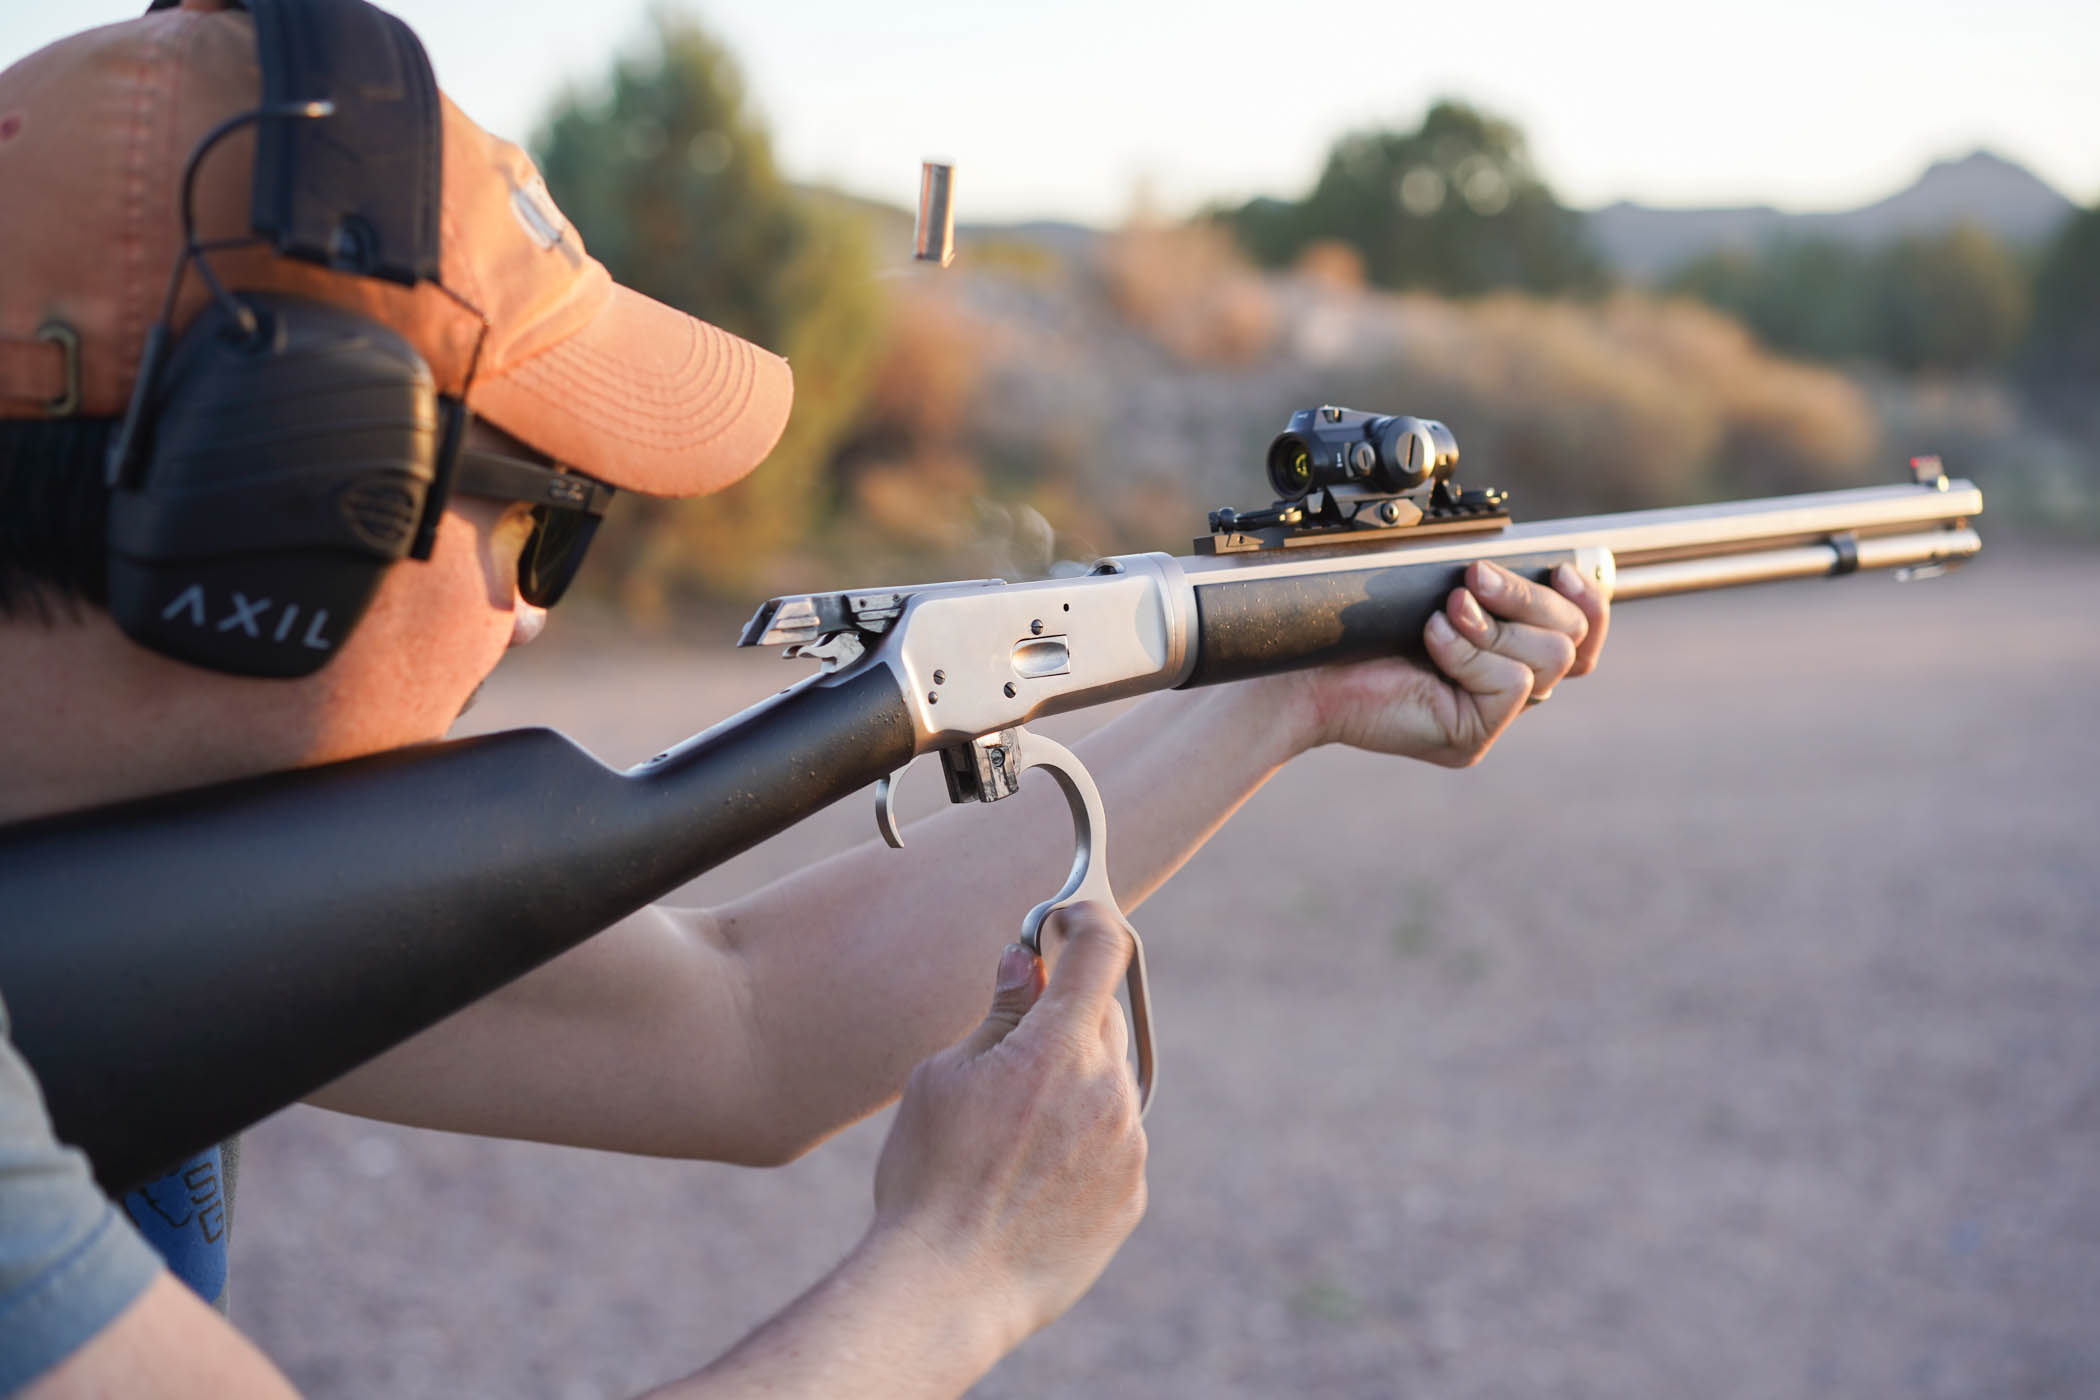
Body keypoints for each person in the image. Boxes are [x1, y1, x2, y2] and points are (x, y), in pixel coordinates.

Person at [0, 3, 1610, 1397]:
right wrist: (954, 1279)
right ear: (269, 518)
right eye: (547, 523)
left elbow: (749, 1024)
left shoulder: (97, 852)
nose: (535, 619)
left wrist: (1285, 685)